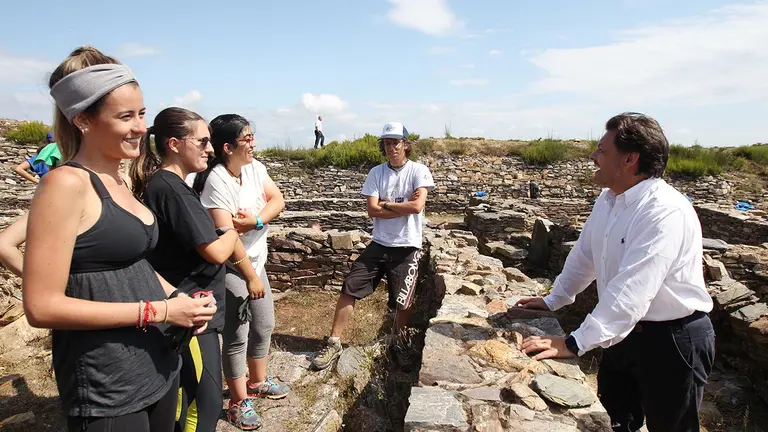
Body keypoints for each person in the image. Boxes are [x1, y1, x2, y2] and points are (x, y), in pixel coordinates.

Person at [22, 46, 216, 432]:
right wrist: (159, 311)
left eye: (142, 113)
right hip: (108, 379)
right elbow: (41, 306)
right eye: (125, 116)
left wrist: (178, 298)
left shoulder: (121, 179)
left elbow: (130, 261)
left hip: (154, 362)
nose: (142, 128)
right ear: (83, 121)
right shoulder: (65, 185)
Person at [515, 112, 715, 432]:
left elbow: (633, 288)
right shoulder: (609, 200)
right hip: (622, 335)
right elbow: (586, 255)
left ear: (630, 159)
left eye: (601, 150)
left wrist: (574, 343)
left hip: (672, 340)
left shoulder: (664, 211)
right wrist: (556, 298)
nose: (593, 157)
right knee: (618, 420)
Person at [130, 107, 265, 432]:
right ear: (174, 144)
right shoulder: (173, 191)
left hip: (193, 311)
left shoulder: (168, 185)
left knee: (192, 401)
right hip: (190, 315)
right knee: (200, 405)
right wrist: (233, 228)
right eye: (202, 141)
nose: (209, 148)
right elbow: (216, 251)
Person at [311, 121, 434, 371]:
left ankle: (398, 342)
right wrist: (397, 207)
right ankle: (334, 341)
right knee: (350, 286)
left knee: (403, 301)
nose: (391, 148)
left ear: (406, 145)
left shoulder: (419, 171)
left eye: (395, 142)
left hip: (407, 246)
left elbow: (416, 207)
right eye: (387, 143)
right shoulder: (376, 172)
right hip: (380, 243)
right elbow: (371, 210)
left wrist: (387, 205)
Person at [191, 113, 289, 427]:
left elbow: (277, 199)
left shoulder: (253, 168)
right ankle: (237, 401)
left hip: (255, 262)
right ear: (228, 147)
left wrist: (255, 221)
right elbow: (226, 237)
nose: (253, 143)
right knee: (237, 335)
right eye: (247, 138)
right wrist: (248, 276)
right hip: (232, 269)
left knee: (264, 325)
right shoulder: (216, 180)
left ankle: (257, 382)